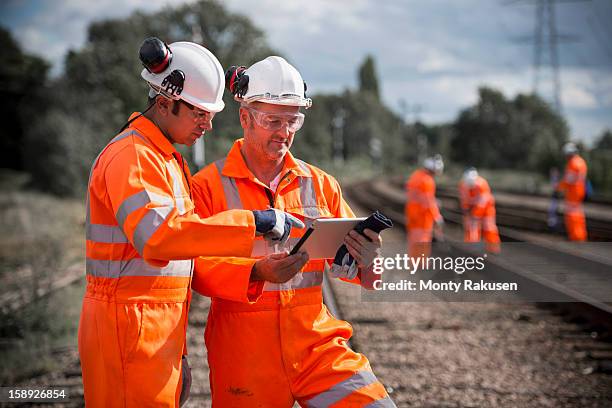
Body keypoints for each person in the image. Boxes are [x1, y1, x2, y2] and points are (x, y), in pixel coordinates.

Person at [79, 38, 304, 407]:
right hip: (127, 330)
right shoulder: (132, 156)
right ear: (165, 102)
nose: (209, 125)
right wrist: (254, 222)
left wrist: (177, 355)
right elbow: (159, 238)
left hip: (152, 331)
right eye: (200, 113)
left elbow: (184, 249)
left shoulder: (165, 160)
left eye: (211, 114)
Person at [191, 56, 396, 407]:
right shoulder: (206, 187)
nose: (284, 132)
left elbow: (353, 266)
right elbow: (193, 269)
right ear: (245, 118)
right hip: (245, 355)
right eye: (273, 120)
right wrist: (255, 272)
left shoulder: (320, 184)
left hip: (316, 345)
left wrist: (369, 261)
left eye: (293, 120)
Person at [404, 154, 444, 258]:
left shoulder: (415, 175)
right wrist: (437, 217)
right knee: (423, 240)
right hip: (423, 218)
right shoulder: (427, 181)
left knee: (413, 240)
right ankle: (421, 265)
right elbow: (428, 203)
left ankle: (413, 263)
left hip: (412, 214)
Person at [458, 167, 501, 253]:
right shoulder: (462, 185)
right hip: (472, 208)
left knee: (489, 228)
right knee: (470, 227)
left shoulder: (482, 184)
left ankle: (493, 248)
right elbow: (464, 200)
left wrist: (475, 215)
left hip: (487, 209)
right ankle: (471, 248)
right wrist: (466, 212)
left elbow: (482, 203)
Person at [555, 142, 588, 241]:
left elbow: (568, 181)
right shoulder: (581, 162)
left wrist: (557, 188)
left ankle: (575, 237)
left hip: (572, 194)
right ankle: (581, 236)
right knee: (578, 215)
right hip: (580, 193)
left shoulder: (573, 163)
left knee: (571, 216)